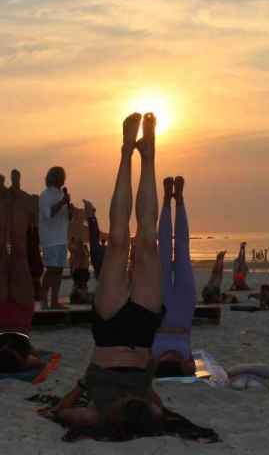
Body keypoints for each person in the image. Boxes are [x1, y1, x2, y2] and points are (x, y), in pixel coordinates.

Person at [54, 113, 165, 439]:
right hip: (143, 336)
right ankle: (148, 156)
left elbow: (61, 412)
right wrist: (146, 384)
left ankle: (125, 151)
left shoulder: (96, 415)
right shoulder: (147, 413)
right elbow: (157, 407)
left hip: (110, 333)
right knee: (147, 241)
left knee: (117, 242)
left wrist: (82, 384)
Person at [0, 173, 46, 373]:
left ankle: (12, 190)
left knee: (17, 250)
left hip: (19, 320)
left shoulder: (22, 357)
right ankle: (2, 190)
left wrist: (28, 354)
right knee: (2, 252)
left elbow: (38, 363)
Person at [153, 176, 197, 378]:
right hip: (183, 310)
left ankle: (165, 200)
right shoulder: (185, 362)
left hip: (160, 309)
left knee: (163, 251)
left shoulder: (153, 358)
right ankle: (178, 200)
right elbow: (193, 369)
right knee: (181, 250)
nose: (170, 357)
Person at [40, 166, 71, 310]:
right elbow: (49, 214)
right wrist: (63, 202)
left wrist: (69, 208)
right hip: (50, 239)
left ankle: (54, 301)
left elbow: (67, 217)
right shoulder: (45, 195)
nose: (63, 179)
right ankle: (43, 299)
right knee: (51, 269)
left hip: (62, 238)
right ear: (53, 177)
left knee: (58, 271)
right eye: (60, 176)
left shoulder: (61, 194)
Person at [84, 199, 106, 280]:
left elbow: (94, 235)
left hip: (97, 257)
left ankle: (90, 214)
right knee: (94, 235)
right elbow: (94, 235)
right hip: (98, 257)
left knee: (94, 235)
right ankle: (90, 214)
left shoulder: (100, 249)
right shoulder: (101, 249)